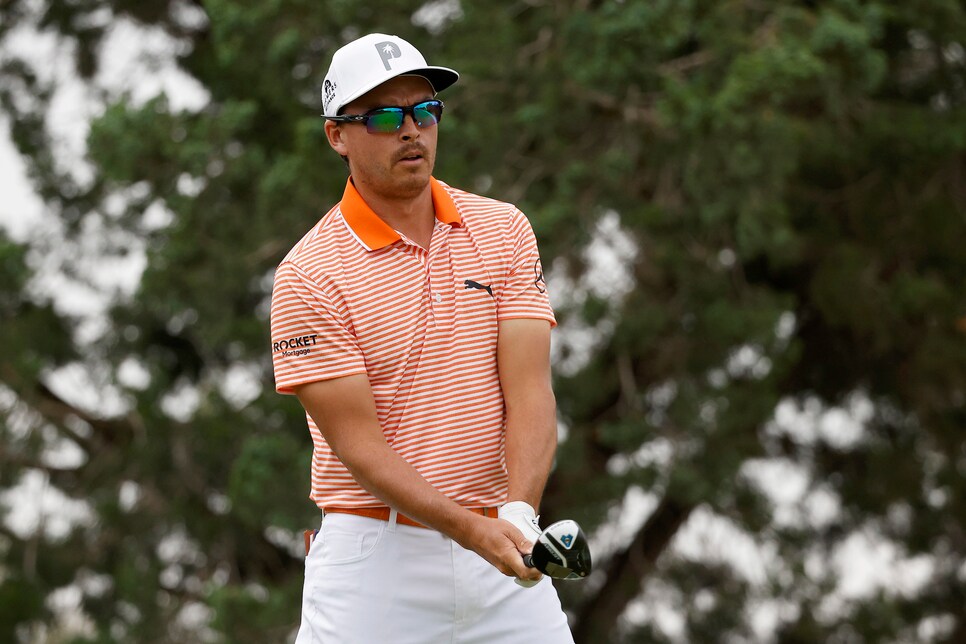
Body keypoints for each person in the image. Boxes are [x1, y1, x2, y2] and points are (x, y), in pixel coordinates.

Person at [270, 32, 573, 643]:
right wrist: (474, 531)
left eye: (424, 110)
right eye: (383, 116)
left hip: (502, 549)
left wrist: (516, 513)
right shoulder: (308, 274)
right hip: (375, 566)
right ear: (337, 135)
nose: (411, 130)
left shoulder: (503, 228)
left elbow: (531, 394)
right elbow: (360, 448)